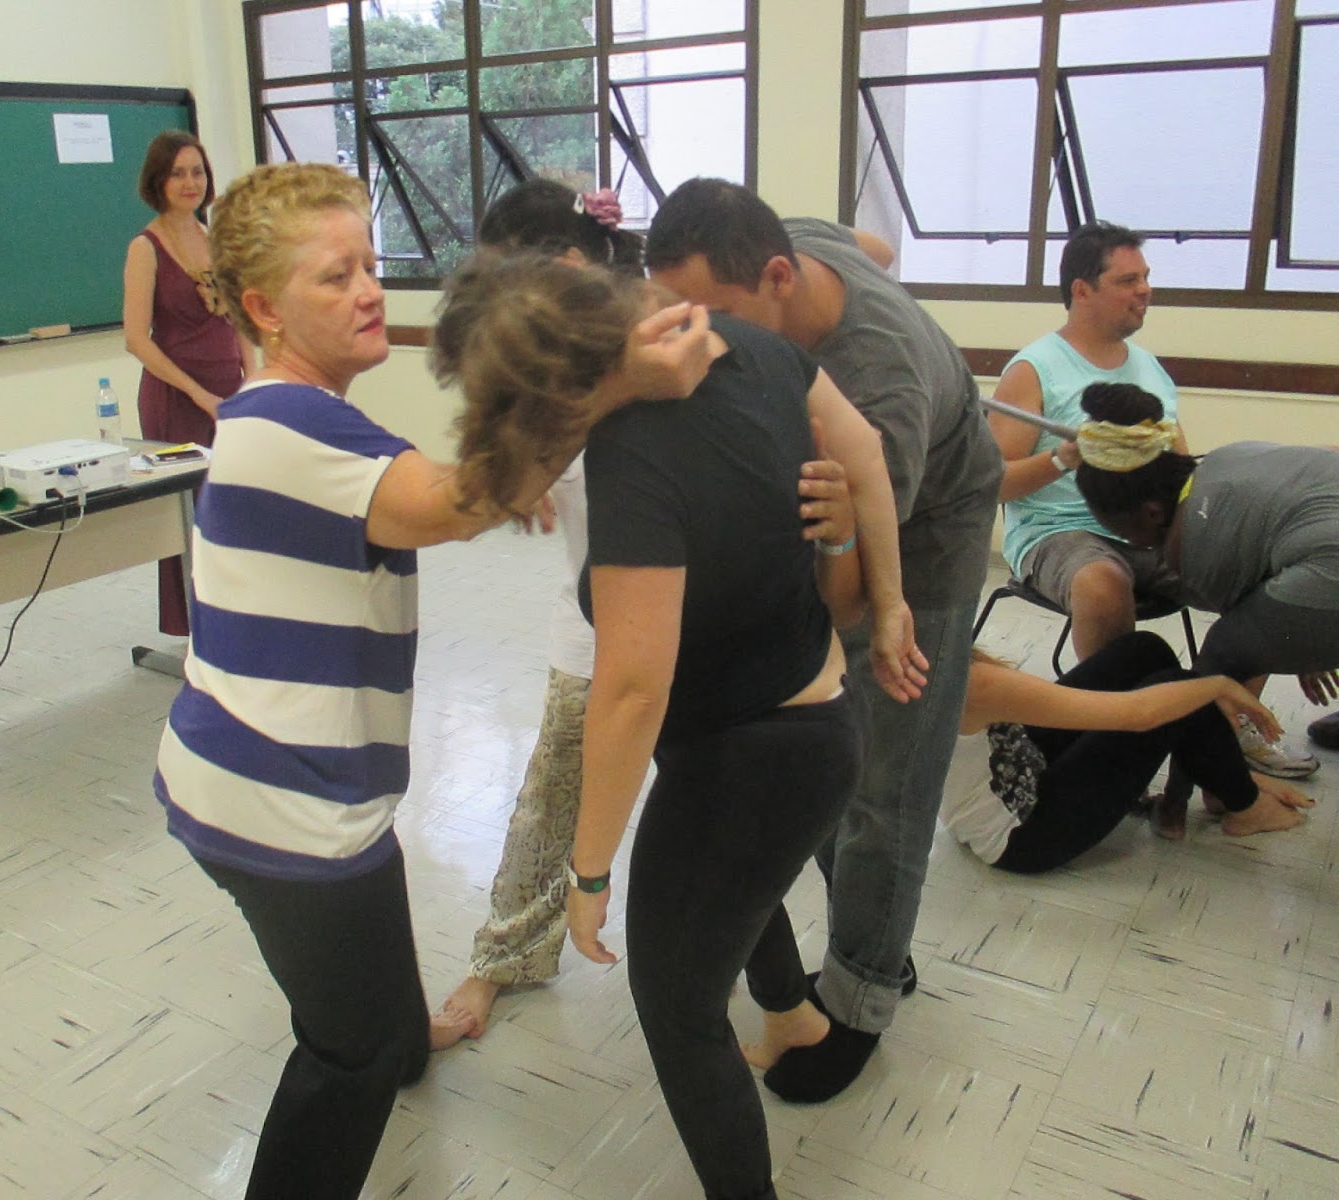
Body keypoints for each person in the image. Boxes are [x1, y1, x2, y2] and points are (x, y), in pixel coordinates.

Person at [152, 162, 716, 1200]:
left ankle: (399, 1033)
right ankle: (380, 1045)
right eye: (336, 278)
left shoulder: (277, 414)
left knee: (368, 942)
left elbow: (452, 493)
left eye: (370, 266)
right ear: (266, 309)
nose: (370, 291)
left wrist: (502, 481)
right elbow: (455, 505)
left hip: (253, 778)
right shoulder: (301, 429)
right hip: (283, 807)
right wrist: (615, 384)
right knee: (349, 1055)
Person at [434, 250, 915, 1200]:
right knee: (726, 887)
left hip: (753, 757)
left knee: (678, 1004)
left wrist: (589, 872)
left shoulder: (633, 453)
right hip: (812, 722)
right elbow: (863, 451)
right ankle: (793, 1018)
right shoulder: (748, 345)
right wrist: (889, 601)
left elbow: (631, 691)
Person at [643, 178, 1003, 1099]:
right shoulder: (788, 247)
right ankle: (872, 934)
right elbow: (869, 245)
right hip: (853, 496)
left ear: (778, 278)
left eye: (716, 319)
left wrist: (873, 605)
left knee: (887, 782)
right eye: (678, 314)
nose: (698, 341)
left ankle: (862, 999)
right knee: (828, 769)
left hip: (927, 534)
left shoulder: (880, 381)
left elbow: (852, 583)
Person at [432, 180, 648, 1042]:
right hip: (593, 618)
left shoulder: (664, 337)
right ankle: (505, 957)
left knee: (726, 803)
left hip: (703, 619)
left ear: (564, 263)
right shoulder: (546, 350)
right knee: (551, 789)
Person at [989, 222, 1316, 779]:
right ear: (1082, 290)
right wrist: (1066, 457)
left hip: (1147, 529)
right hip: (1058, 530)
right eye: (1128, 280)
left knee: (1255, 578)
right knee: (1102, 581)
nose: (1145, 290)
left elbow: (1182, 471)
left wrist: (1299, 631)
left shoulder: (1149, 369)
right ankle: (1113, 743)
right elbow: (992, 481)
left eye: (1145, 277)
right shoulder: (1034, 369)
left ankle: (1229, 733)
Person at [1073, 381, 1339, 830]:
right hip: (1321, 552)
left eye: (1121, 531)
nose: (1131, 544)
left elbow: (1225, 669)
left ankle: (1187, 806)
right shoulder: (1225, 458)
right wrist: (1307, 640)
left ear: (1152, 513)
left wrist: (1312, 632)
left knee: (1213, 666)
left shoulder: (1192, 548)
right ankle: (1222, 785)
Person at [937, 632, 1313, 874]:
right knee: (1180, 692)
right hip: (1023, 835)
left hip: (1014, 764)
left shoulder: (935, 655)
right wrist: (1219, 685)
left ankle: (1224, 781)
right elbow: (1139, 715)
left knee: (1144, 651)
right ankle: (1246, 807)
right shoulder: (970, 684)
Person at [123, 131, 255, 636]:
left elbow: (240, 318)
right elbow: (137, 339)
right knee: (192, 514)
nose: (189, 182)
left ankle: (237, 617)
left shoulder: (217, 239)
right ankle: (200, 627)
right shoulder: (146, 247)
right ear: (158, 181)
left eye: (197, 171)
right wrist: (199, 394)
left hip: (228, 394)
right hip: (176, 399)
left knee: (235, 507)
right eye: (177, 173)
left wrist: (252, 378)